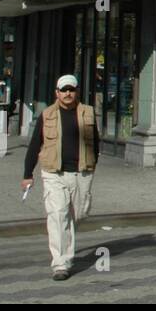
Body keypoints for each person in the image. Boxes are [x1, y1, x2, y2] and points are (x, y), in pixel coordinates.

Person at [21, 75, 100, 281]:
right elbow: (34, 145)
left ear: (77, 91)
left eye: (71, 90)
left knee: (78, 215)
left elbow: (96, 143)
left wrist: (93, 165)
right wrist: (27, 174)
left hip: (81, 173)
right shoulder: (47, 115)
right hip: (53, 173)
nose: (67, 94)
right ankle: (61, 264)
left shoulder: (88, 113)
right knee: (58, 215)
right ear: (57, 92)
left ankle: (67, 246)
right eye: (63, 90)